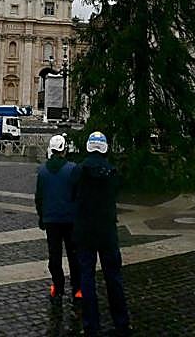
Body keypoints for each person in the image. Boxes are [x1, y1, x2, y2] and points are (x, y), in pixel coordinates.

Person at [71, 131, 130, 336]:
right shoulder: (112, 172)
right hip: (107, 231)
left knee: (87, 278)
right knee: (113, 277)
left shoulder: (78, 171)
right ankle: (122, 322)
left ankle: (91, 325)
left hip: (85, 231)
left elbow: (72, 194)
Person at [35, 133, 79, 300]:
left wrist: (41, 216)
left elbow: (39, 197)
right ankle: (77, 287)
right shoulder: (73, 169)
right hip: (70, 219)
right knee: (73, 254)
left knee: (54, 255)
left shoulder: (42, 171)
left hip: (50, 219)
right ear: (64, 150)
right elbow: (78, 194)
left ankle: (58, 287)